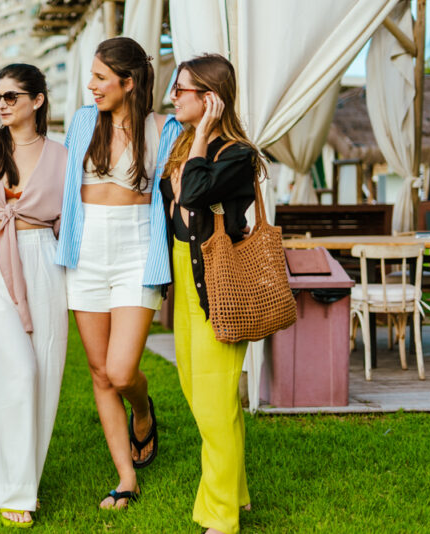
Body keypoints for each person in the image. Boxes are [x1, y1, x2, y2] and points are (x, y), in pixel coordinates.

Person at [56, 37, 181, 509]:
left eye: (101, 78)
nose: (91, 86)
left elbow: (179, 189)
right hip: (86, 255)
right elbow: (60, 184)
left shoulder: (161, 129)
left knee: (121, 369)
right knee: (99, 372)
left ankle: (143, 411)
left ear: (128, 83)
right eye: (92, 77)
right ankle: (126, 476)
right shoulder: (85, 123)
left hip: (137, 254)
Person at [160, 53, 262, 534]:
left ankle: (219, 517)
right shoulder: (181, 147)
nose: (173, 97)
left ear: (211, 98)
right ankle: (236, 492)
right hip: (187, 275)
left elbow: (195, 196)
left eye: (182, 90)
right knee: (198, 392)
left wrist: (201, 136)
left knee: (214, 400)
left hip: (220, 278)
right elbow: (176, 211)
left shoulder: (238, 154)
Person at [0, 63, 68, 528]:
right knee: (14, 372)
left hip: (42, 256)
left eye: (11, 96)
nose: (2, 104)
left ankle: (25, 483)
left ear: (37, 101)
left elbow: (69, 223)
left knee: (43, 372)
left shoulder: (61, 156)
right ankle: (10, 490)